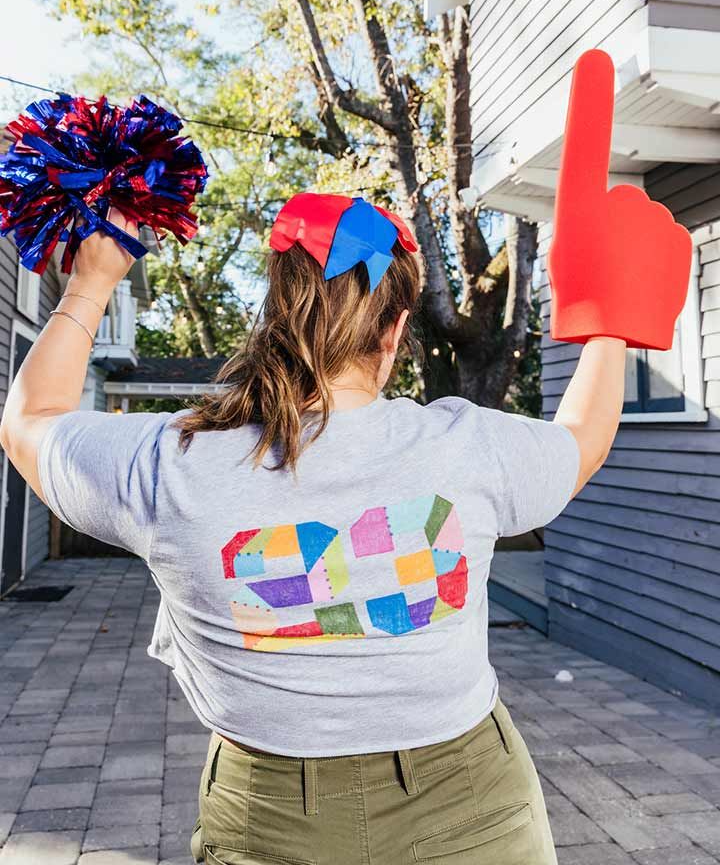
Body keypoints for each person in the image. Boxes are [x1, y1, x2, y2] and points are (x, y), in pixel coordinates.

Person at [0, 195, 628, 865]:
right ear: (394, 329)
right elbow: (583, 441)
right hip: (471, 804)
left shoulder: (169, 463)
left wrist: (91, 283)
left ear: (273, 314)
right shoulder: (469, 447)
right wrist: (613, 321)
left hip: (267, 817)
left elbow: (29, 420)